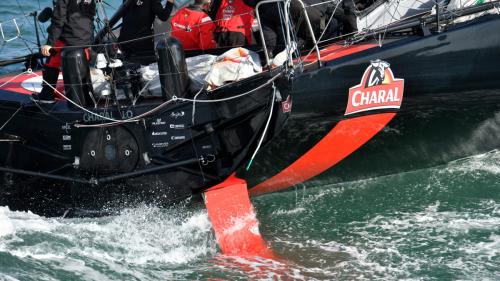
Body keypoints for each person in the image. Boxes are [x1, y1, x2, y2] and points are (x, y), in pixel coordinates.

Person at [37, 0, 96, 103]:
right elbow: (90, 17)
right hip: (85, 39)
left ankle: (46, 95)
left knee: (51, 60)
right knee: (83, 64)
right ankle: (88, 97)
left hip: (69, 39)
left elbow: (58, 21)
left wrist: (49, 44)